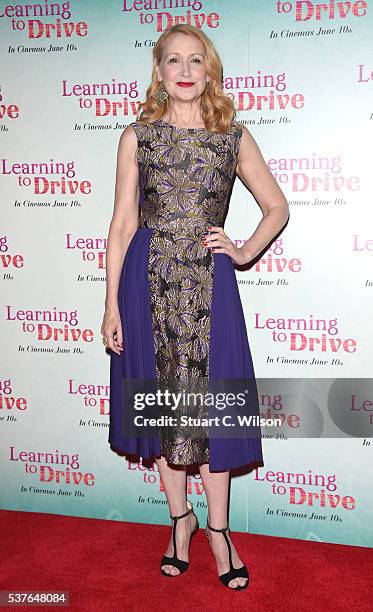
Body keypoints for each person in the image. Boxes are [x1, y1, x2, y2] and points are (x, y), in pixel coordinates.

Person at [101, 24, 289, 590]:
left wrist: (244, 248)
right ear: (158, 71)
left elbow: (276, 206)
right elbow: (121, 224)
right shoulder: (136, 136)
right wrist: (111, 304)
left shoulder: (231, 136)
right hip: (146, 280)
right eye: (174, 61)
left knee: (212, 408)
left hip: (211, 281)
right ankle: (179, 521)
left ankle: (219, 529)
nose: (185, 71)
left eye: (196, 61)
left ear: (210, 71)